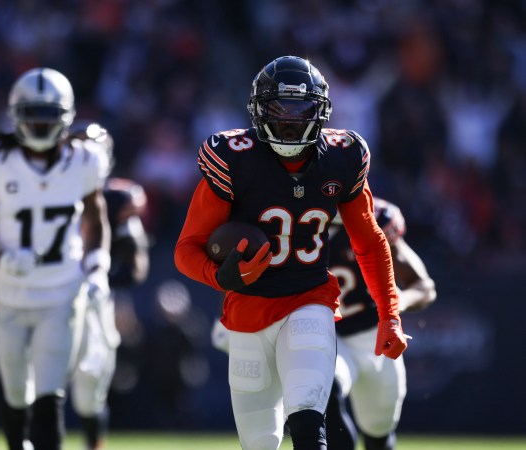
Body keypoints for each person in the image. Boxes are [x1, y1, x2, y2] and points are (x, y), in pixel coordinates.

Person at [174, 55, 409, 450]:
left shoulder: (342, 157)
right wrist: (219, 277)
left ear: (321, 112)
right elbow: (186, 250)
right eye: (279, 110)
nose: (290, 120)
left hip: (309, 300)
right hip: (247, 310)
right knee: (261, 442)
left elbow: (369, 242)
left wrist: (390, 315)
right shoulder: (233, 158)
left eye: (301, 110)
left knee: (307, 419)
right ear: (258, 111)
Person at [0, 67, 111, 450]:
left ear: (67, 118)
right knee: (14, 399)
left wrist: (97, 266)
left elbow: (97, 223)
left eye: (48, 116)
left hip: (62, 294)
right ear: (15, 116)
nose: (40, 125)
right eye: (32, 116)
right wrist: (0, 258)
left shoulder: (85, 161)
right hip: (10, 296)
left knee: (49, 398)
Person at [325, 198, 437, 450]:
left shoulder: (375, 217)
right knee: (322, 389)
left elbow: (423, 286)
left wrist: (396, 304)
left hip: (372, 336)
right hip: (322, 333)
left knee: (379, 431)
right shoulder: (293, 215)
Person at [67, 122, 150, 450]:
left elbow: (136, 266)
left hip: (92, 303)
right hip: (46, 294)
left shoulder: (116, 199)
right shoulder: (40, 187)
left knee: (90, 386)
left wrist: (100, 280)